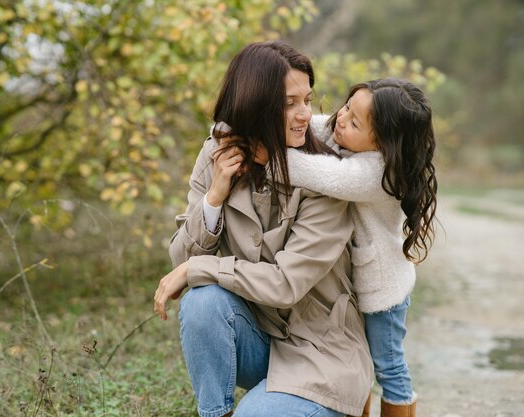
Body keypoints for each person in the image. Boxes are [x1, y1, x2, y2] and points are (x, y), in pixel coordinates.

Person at [153, 40, 373, 417]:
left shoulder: (326, 174)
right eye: (290, 103)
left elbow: (286, 284)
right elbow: (180, 259)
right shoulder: (217, 154)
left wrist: (197, 269)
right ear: (255, 105)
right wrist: (214, 198)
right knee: (202, 302)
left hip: (319, 356)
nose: (305, 114)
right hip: (258, 340)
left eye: (307, 99)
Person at [263, 78, 438, 417]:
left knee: (388, 367)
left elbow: (321, 173)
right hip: (356, 284)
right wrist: (238, 124)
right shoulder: (347, 134)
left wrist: (266, 157)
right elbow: (310, 125)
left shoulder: (377, 174)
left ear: (383, 144)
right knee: (356, 359)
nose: (340, 118)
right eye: (346, 106)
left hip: (383, 292)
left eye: (355, 121)